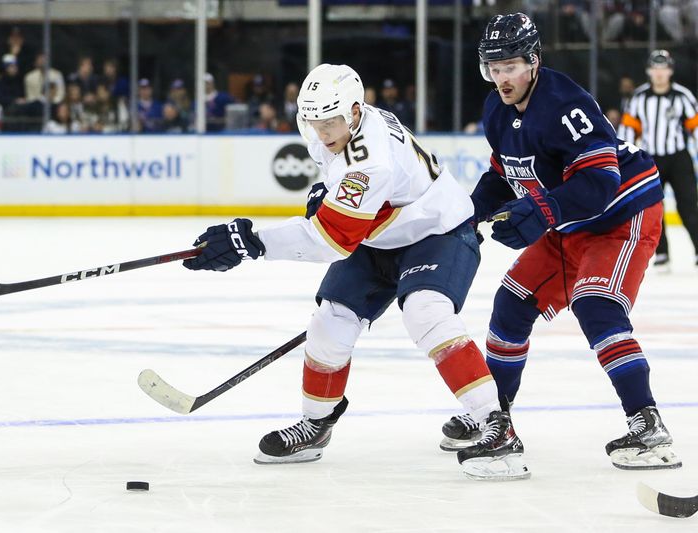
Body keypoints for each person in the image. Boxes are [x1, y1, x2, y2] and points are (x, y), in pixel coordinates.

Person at [182, 63, 530, 481]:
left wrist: (250, 241)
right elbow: (340, 184)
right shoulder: (330, 126)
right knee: (329, 323)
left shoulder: (371, 161)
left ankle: (497, 425)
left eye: (330, 122)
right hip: (378, 236)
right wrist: (324, 193)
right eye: (313, 122)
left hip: (438, 232)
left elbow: (329, 241)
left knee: (426, 313)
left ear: (353, 111)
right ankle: (315, 424)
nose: (322, 132)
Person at [438, 13, 680, 471]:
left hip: (622, 213)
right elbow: (501, 174)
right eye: (493, 66)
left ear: (533, 62)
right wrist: (471, 216)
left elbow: (601, 182)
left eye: (510, 65)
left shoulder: (564, 103)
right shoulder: (497, 109)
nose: (501, 77)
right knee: (511, 303)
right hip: (571, 222)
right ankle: (496, 418)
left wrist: (542, 210)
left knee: (595, 304)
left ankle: (648, 426)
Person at [618, 50, 698, 269]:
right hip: (651, 160)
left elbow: (695, 127)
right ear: (649, 71)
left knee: (689, 206)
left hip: (679, 158)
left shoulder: (683, 96)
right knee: (653, 207)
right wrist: (626, 159)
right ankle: (662, 253)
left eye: (663, 68)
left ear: (670, 70)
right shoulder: (639, 98)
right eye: (656, 68)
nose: (660, 73)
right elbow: (627, 130)